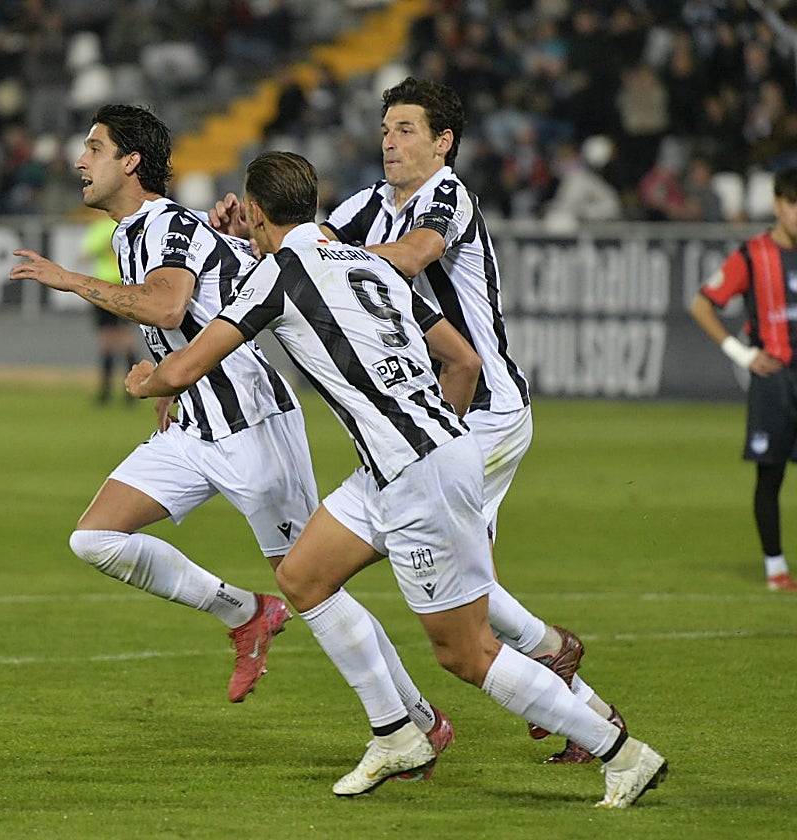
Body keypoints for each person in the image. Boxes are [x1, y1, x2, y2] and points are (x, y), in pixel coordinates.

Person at [129, 149, 668, 808]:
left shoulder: (279, 275)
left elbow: (185, 370)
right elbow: (463, 360)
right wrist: (434, 435)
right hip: (408, 463)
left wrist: (146, 380)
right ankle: (395, 734)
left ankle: (621, 752)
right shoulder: (368, 263)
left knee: (465, 654)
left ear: (260, 213)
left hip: (416, 474)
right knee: (302, 575)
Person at [210, 77, 625, 764]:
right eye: (384, 129)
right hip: (433, 421)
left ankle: (552, 675)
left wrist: (310, 260)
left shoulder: (446, 194)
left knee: (454, 586)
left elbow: (406, 257)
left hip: (483, 411)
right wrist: (253, 234)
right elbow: (305, 249)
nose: (390, 142)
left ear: (443, 142)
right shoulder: (370, 204)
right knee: (454, 580)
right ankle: (573, 693)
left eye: (407, 129)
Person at [10, 105, 454, 744]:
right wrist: (167, 384)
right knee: (95, 538)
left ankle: (415, 719)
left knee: (313, 583)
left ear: (131, 163)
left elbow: (167, 306)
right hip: (193, 427)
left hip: (254, 426)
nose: (80, 161)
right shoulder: (138, 232)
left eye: (95, 148)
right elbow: (217, 290)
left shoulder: (164, 223)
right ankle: (247, 613)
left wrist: (69, 280)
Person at [688, 165, 797, 592]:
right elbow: (702, 304)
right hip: (775, 381)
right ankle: (775, 568)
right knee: (770, 475)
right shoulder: (753, 255)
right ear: (778, 205)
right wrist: (742, 353)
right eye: (793, 205)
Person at [81, 212, 138, 404]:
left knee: (109, 341)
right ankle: (132, 391)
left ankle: (106, 392)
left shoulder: (99, 228)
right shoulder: (126, 226)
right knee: (125, 339)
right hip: (122, 287)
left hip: (105, 288)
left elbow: (86, 255)